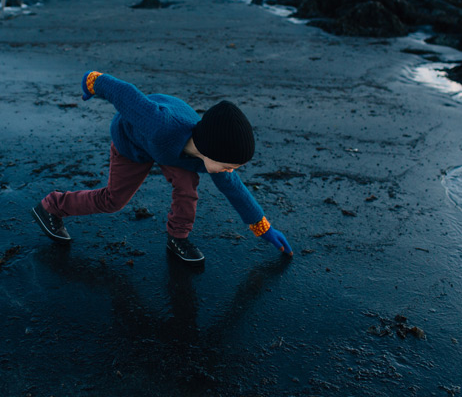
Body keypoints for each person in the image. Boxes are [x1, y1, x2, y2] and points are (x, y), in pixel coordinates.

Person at [31, 71, 293, 266]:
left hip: (177, 152)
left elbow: (237, 193)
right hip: (134, 140)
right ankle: (51, 206)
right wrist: (91, 82)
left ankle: (177, 237)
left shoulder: (212, 161)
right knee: (113, 200)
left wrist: (264, 229)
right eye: (229, 165)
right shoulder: (158, 123)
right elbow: (124, 92)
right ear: (211, 151)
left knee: (187, 191)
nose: (230, 171)